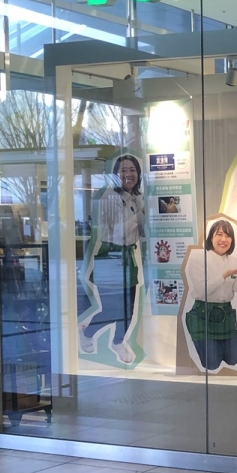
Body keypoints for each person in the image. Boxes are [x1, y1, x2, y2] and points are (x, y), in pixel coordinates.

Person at [78, 153, 144, 365]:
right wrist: (140, 214)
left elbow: (142, 232)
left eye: (132, 170)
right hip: (110, 255)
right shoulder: (108, 197)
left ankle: (118, 342)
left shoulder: (136, 197)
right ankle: (87, 332)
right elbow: (118, 232)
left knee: (130, 308)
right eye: (123, 170)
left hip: (128, 257)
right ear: (115, 174)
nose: (128, 174)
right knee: (113, 308)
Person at [183, 219, 237, 371]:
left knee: (234, 359)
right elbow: (201, 290)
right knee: (211, 364)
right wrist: (224, 275)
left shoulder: (235, 261)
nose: (224, 239)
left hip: (226, 313)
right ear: (211, 237)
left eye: (228, 236)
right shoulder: (198, 259)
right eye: (219, 234)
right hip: (202, 314)